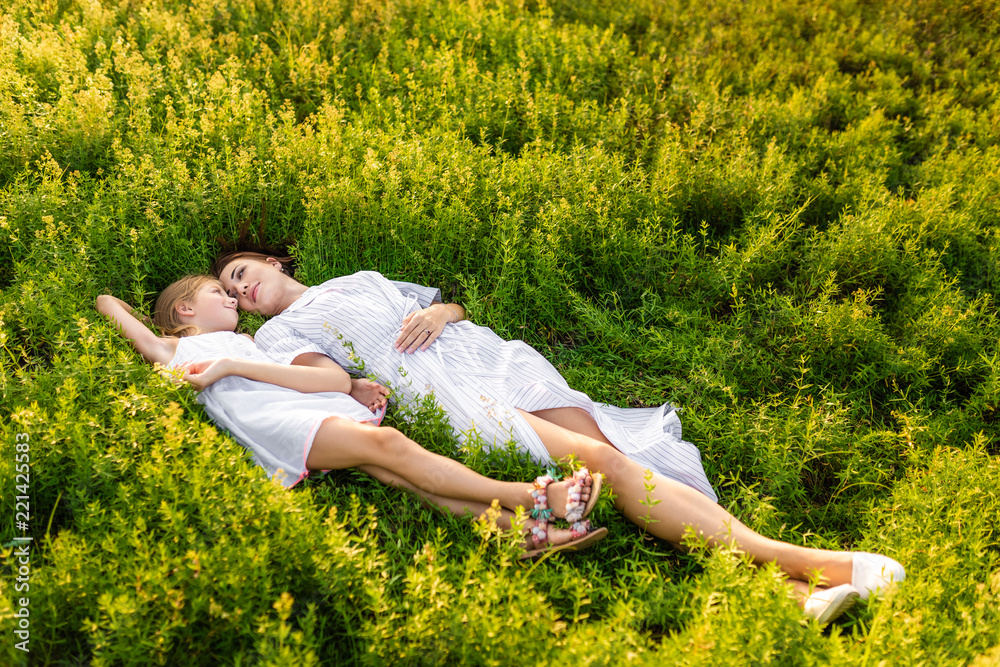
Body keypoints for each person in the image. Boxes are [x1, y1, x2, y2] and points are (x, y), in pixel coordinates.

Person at [212, 251, 907, 624]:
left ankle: (793, 595)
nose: (240, 289)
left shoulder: (355, 275)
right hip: (446, 393)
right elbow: (329, 378)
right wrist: (353, 383)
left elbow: (438, 303)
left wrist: (444, 314)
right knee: (605, 463)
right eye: (229, 291)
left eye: (241, 272)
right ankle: (810, 564)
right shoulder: (275, 335)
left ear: (273, 261)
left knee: (623, 465)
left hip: (485, 356)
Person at [95, 276, 608, 560]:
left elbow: (311, 377)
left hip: (312, 407)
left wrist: (350, 384)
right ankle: (542, 500)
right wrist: (180, 336)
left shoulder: (250, 343)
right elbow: (107, 302)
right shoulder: (170, 347)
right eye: (218, 292)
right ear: (184, 311)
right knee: (393, 450)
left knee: (395, 472)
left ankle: (521, 535)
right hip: (282, 423)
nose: (231, 298)